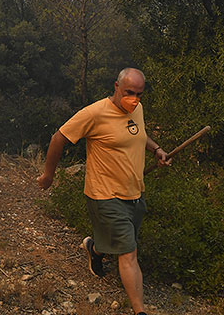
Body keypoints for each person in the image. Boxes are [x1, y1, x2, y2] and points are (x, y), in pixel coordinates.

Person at [37, 68, 169, 315]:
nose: (135, 99)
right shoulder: (95, 113)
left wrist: (156, 149)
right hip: (105, 195)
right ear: (116, 86)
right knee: (129, 253)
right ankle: (140, 310)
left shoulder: (136, 109)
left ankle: (93, 249)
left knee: (120, 243)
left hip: (134, 192)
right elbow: (59, 138)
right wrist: (48, 175)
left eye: (139, 94)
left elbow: (138, 134)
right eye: (129, 92)